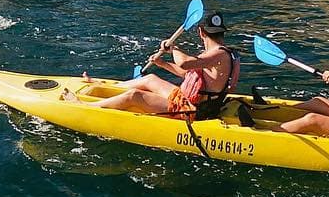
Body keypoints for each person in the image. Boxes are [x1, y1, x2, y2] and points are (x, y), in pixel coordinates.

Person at [70, 11, 240, 120]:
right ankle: (103, 86)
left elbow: (185, 63)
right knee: (150, 79)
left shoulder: (218, 54)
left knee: (135, 96)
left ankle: (85, 107)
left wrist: (173, 47)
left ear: (201, 32)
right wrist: (162, 63)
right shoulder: (227, 54)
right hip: (191, 101)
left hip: (193, 110)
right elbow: (187, 74)